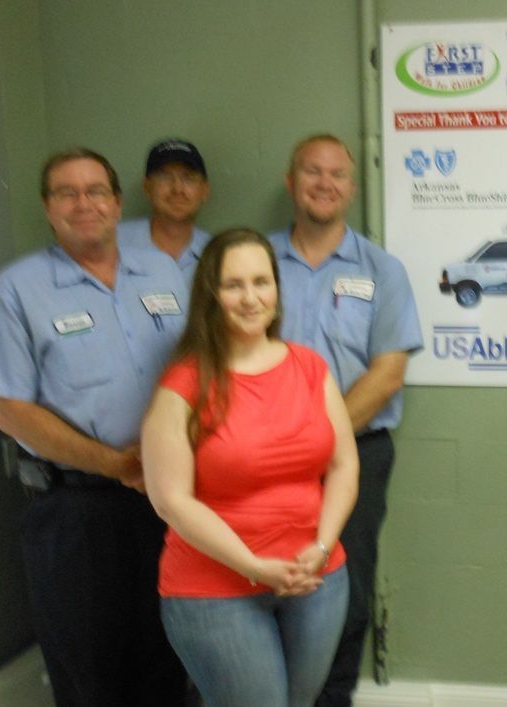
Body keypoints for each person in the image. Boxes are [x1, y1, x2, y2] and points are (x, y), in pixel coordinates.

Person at [0, 147, 188, 706]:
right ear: (48, 208)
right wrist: (117, 464)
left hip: (170, 501)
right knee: (93, 673)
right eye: (66, 193)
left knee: (169, 656)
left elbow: (199, 368)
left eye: (96, 190)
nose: (83, 203)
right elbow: (12, 412)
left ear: (118, 203)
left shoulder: (164, 274)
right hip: (76, 512)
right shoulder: (17, 290)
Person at [140, 228, 358, 707]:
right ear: (210, 296)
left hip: (315, 579)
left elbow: (344, 465)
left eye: (261, 281)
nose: (250, 297)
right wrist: (254, 566)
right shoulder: (183, 385)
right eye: (233, 284)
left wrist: (322, 546)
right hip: (214, 588)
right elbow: (170, 500)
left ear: (277, 291)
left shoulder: (310, 367)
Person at [267, 133, 423, 707]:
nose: (324, 183)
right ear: (291, 182)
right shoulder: (252, 262)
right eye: (312, 171)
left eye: (337, 174)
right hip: (258, 463)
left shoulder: (382, 269)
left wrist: (314, 442)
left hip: (355, 454)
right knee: (262, 583)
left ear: (352, 189)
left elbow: (386, 374)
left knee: (346, 591)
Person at [118, 139, 211, 280]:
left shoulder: (216, 253)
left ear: (204, 190)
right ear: (147, 187)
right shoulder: (114, 243)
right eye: (165, 177)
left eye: (188, 178)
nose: (177, 189)